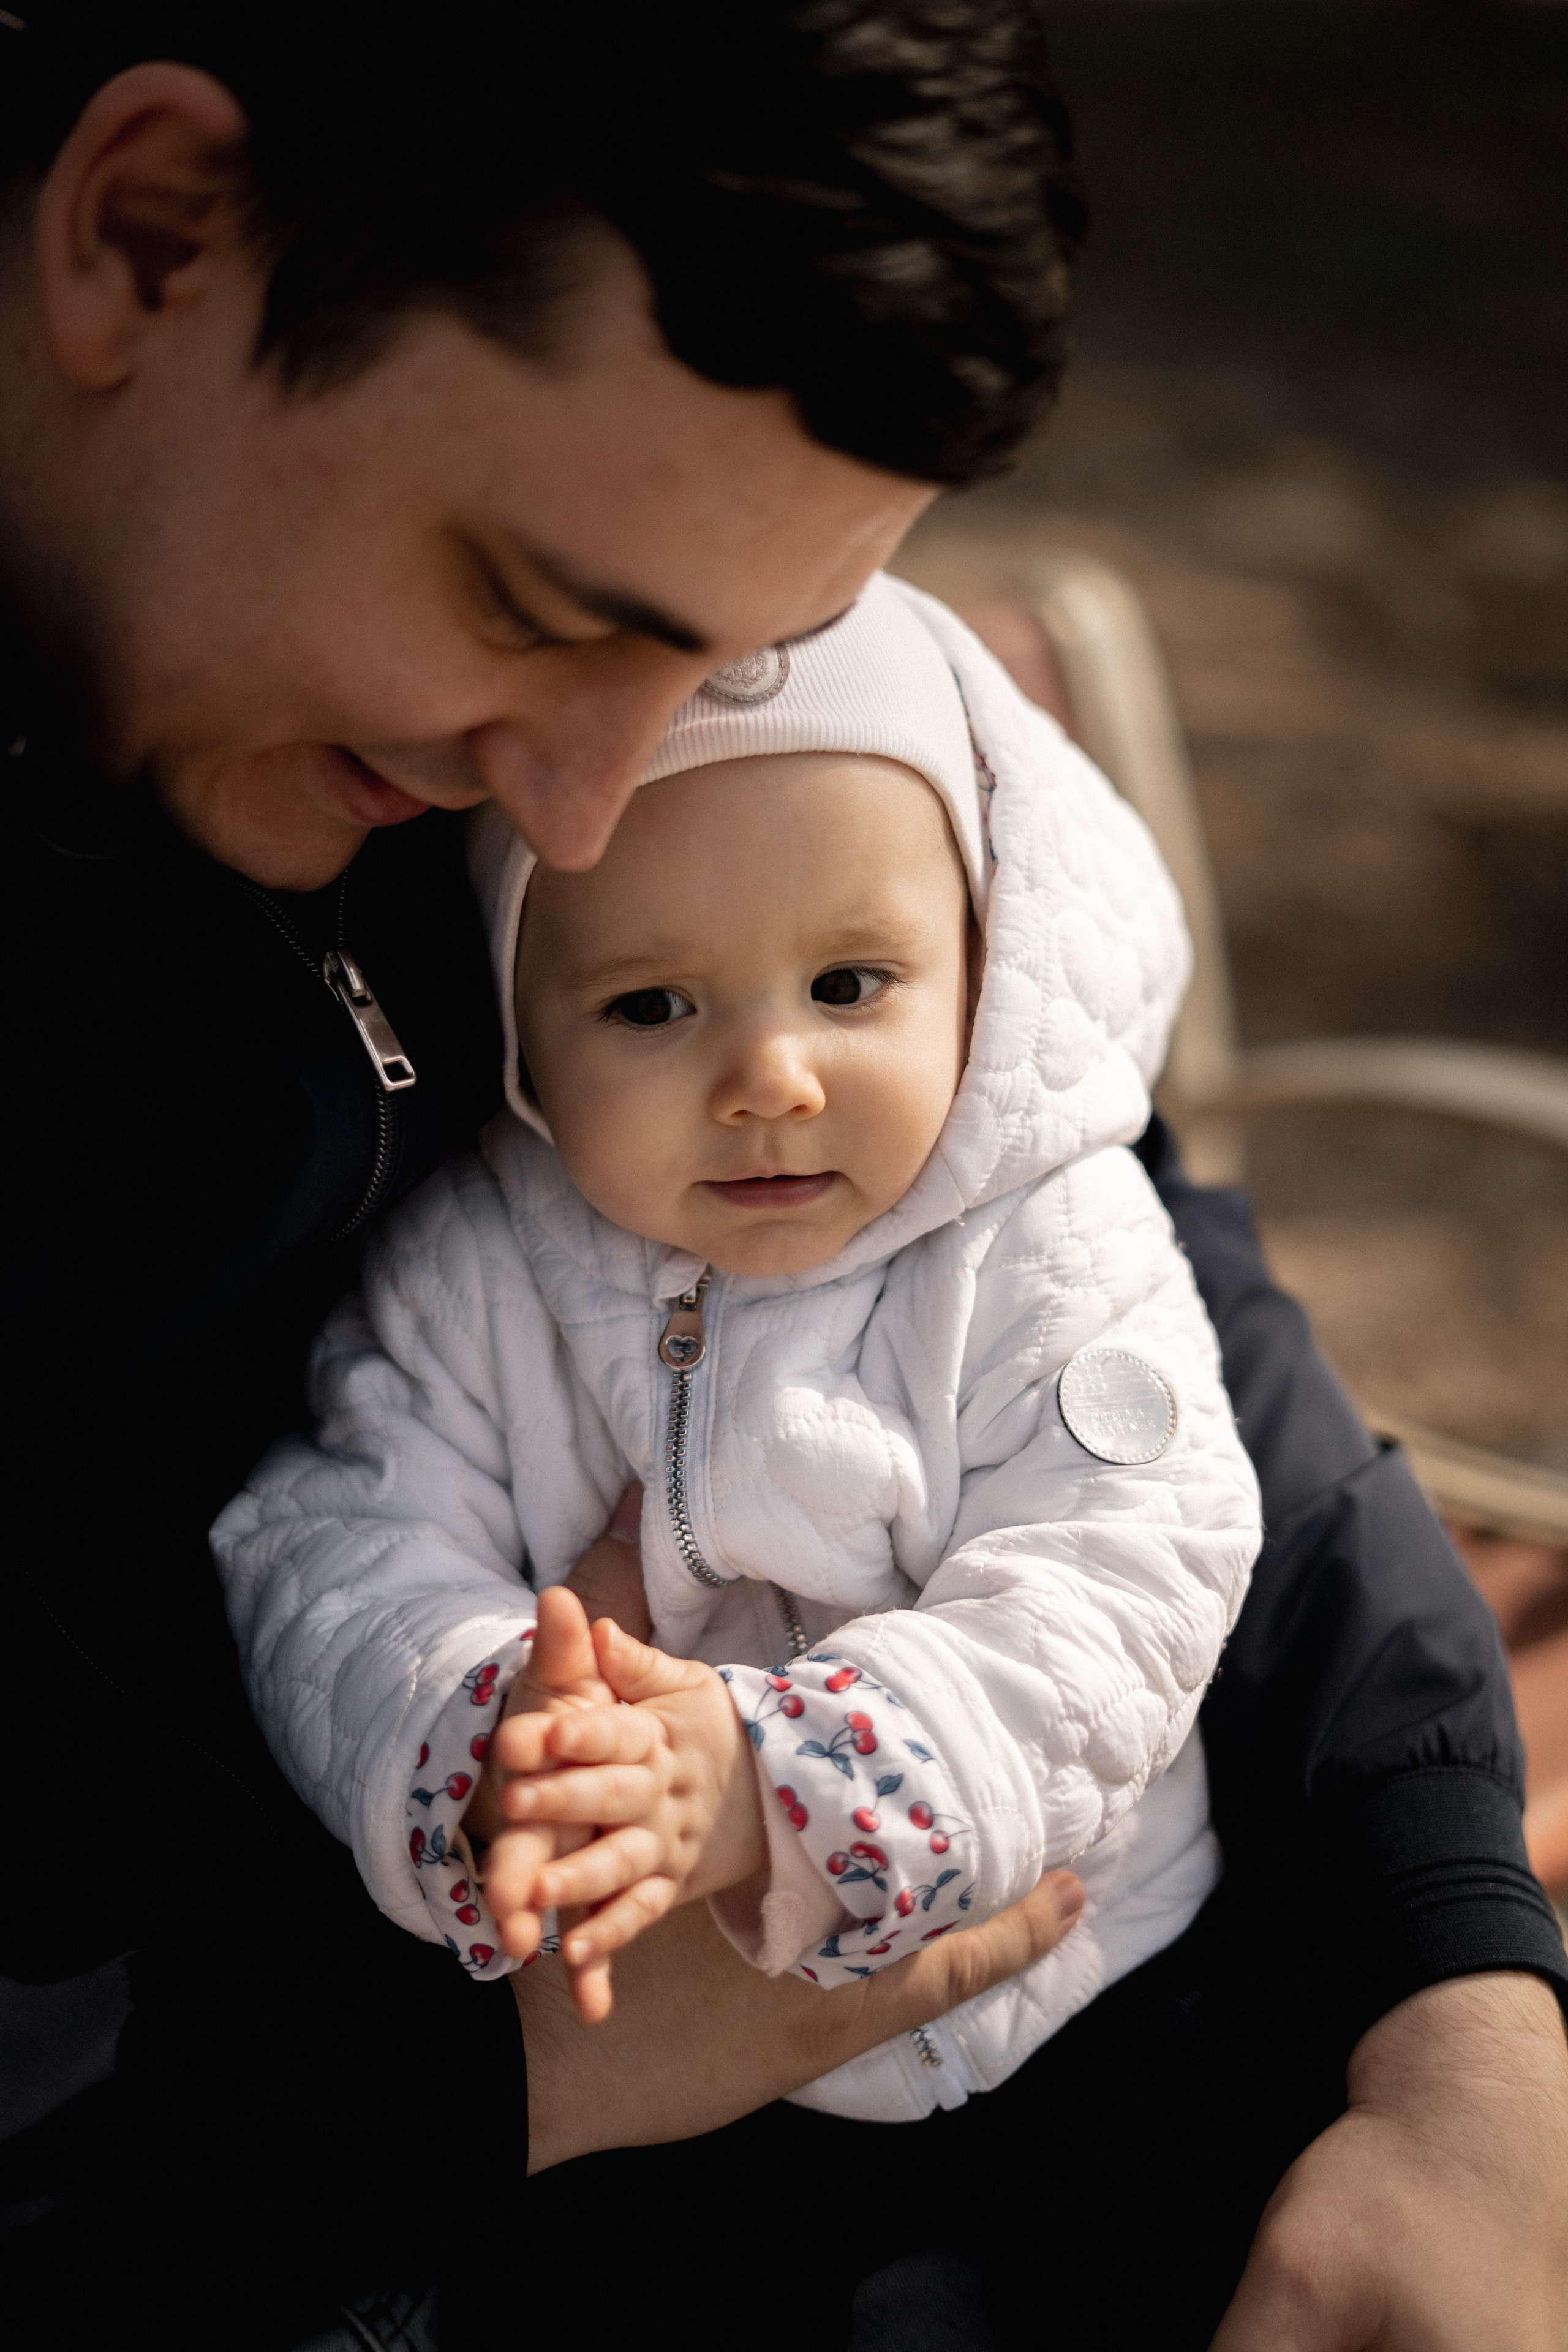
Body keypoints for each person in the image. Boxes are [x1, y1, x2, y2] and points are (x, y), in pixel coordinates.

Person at [1, 6, 1564, 2348]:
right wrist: (464, 2095)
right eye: (540, 608)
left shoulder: (409, 734)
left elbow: (1090, 1233)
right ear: (149, 236)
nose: (585, 814)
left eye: (740, 659)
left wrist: (1464, 2009)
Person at [214, 578, 1263, 2105]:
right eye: (650, 1005)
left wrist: (781, 1784)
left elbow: (1127, 1564)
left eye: (848, 985)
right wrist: (480, 1721)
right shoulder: (478, 1256)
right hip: (619, 2039)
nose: (769, 1076)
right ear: (522, 1028)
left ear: (982, 965)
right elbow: (333, 1529)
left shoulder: (1042, 1241)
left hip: (1059, 1988)